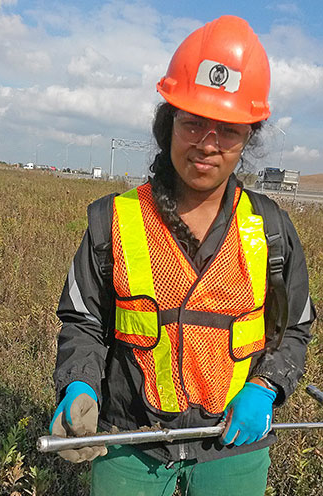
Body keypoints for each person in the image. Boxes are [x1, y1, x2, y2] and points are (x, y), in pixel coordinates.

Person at [50, 15, 315, 496]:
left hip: (234, 448)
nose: (207, 145)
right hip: (131, 442)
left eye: (229, 129)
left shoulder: (272, 230)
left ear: (248, 138)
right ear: (167, 123)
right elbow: (83, 322)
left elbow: (293, 327)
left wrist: (266, 387)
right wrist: (79, 385)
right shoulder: (113, 222)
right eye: (193, 122)